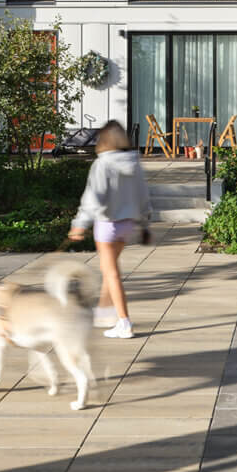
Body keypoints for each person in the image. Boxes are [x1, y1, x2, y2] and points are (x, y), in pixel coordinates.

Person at [69, 121, 153, 340]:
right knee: (110, 270)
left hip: (107, 225)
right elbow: (143, 194)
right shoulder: (134, 163)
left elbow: (93, 196)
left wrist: (80, 223)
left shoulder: (102, 164)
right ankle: (105, 312)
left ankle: (124, 322)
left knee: (111, 273)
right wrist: (145, 222)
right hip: (127, 224)